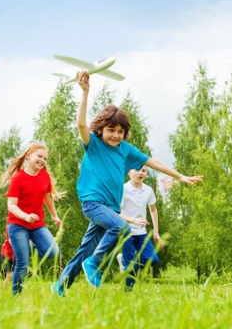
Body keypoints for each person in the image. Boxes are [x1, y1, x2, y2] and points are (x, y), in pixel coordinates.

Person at [52, 71, 202, 294]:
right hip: (93, 202)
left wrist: (180, 176)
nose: (115, 135)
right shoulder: (93, 144)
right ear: (101, 129)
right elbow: (81, 125)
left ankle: (60, 286)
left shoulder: (126, 150)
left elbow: (153, 161)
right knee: (121, 227)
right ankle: (94, 264)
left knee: (86, 249)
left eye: (120, 131)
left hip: (109, 207)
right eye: (111, 130)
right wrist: (85, 93)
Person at [0, 142, 62, 295]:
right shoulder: (18, 178)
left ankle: (24, 248)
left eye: (45, 158)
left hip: (37, 225)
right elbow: (11, 205)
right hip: (17, 224)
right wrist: (25, 216)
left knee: (53, 251)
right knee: (22, 264)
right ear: (28, 156)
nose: (42, 160)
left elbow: (47, 197)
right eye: (39, 156)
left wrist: (54, 216)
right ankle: (16, 296)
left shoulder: (44, 176)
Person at [117, 165, 163, 290]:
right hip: (126, 232)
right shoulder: (123, 189)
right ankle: (127, 292)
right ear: (129, 172)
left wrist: (156, 232)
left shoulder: (148, 190)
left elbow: (153, 210)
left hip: (142, 233)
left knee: (152, 259)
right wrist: (134, 220)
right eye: (137, 170)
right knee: (130, 265)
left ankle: (126, 266)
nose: (140, 173)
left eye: (143, 170)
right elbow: (117, 212)